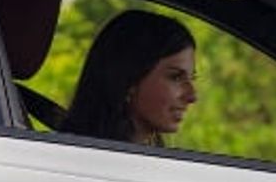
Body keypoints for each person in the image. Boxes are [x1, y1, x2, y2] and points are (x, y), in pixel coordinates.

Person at [61, 9, 198, 146]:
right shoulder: (83, 155)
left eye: (192, 78)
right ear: (129, 79)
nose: (192, 96)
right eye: (176, 77)